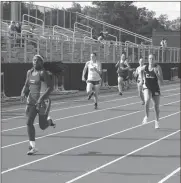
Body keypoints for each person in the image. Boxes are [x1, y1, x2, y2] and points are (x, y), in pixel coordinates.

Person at [21, 54, 56, 155]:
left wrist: (41, 98)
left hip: (42, 102)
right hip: (31, 102)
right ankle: (32, 147)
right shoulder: (29, 72)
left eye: (37, 60)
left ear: (41, 62)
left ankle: (49, 121)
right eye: (33, 60)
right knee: (28, 122)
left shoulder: (43, 73)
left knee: (42, 126)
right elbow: (26, 85)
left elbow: (50, 87)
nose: (35, 61)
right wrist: (23, 92)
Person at [141, 54, 163, 129]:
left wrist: (156, 73)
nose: (151, 60)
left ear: (155, 60)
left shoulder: (157, 67)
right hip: (147, 87)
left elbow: (162, 81)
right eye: (150, 58)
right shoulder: (145, 67)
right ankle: (146, 116)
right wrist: (142, 80)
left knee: (156, 106)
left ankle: (157, 122)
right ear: (148, 59)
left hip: (155, 88)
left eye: (152, 59)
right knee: (147, 100)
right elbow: (140, 71)